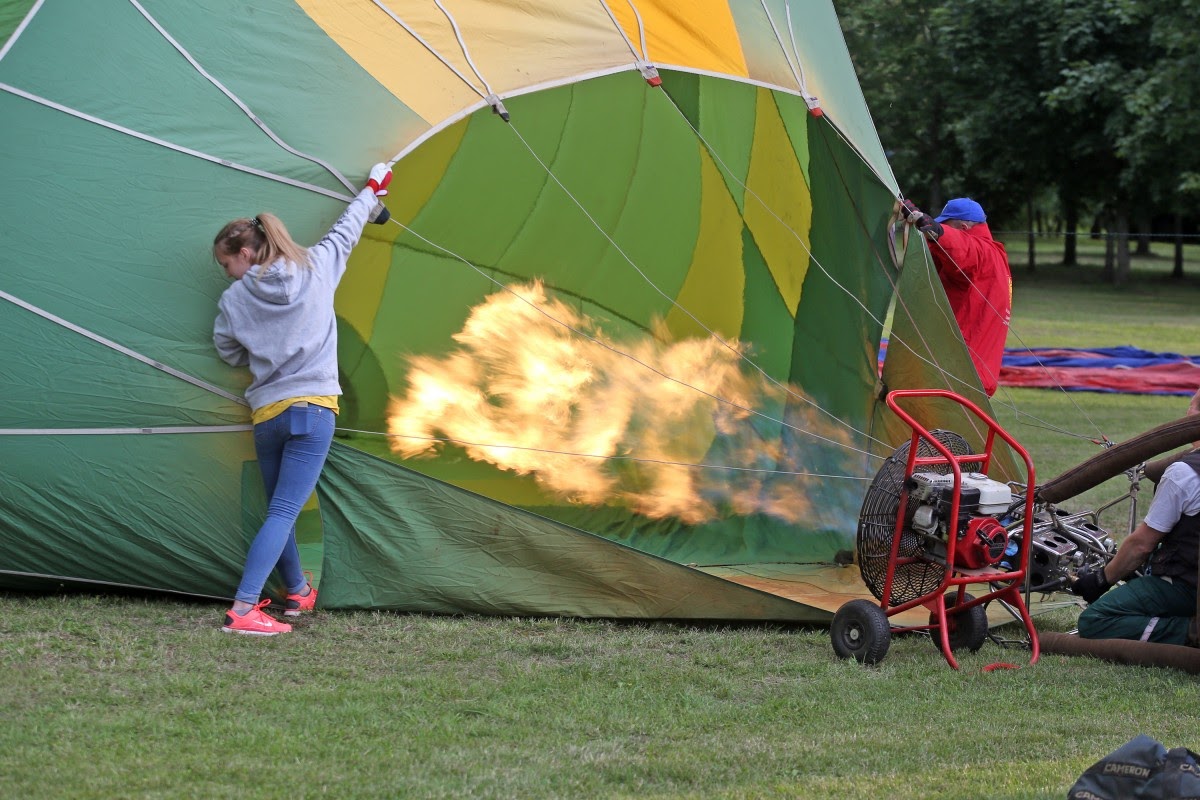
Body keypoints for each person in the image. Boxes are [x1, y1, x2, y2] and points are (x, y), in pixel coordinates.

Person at [211, 163, 393, 635]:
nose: (226, 272)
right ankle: (245, 608)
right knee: (284, 511)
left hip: (268, 414)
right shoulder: (317, 265)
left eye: (224, 264)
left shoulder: (233, 300)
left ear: (246, 253)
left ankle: (296, 593)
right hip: (314, 411)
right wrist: (374, 187)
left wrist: (258, 337)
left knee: (279, 507)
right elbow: (349, 227)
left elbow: (227, 351)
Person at [1071, 390, 1200, 647]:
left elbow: (1141, 545)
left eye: (1192, 407)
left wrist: (1100, 580)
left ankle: (1189, 632)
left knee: (1095, 620)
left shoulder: (1183, 474)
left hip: (1186, 585)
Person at [902, 197, 1012, 397]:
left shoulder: (983, 254)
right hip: (967, 376)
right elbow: (944, 256)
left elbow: (962, 248)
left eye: (946, 223)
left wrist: (937, 230)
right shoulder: (994, 257)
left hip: (961, 377)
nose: (943, 227)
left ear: (963, 227)